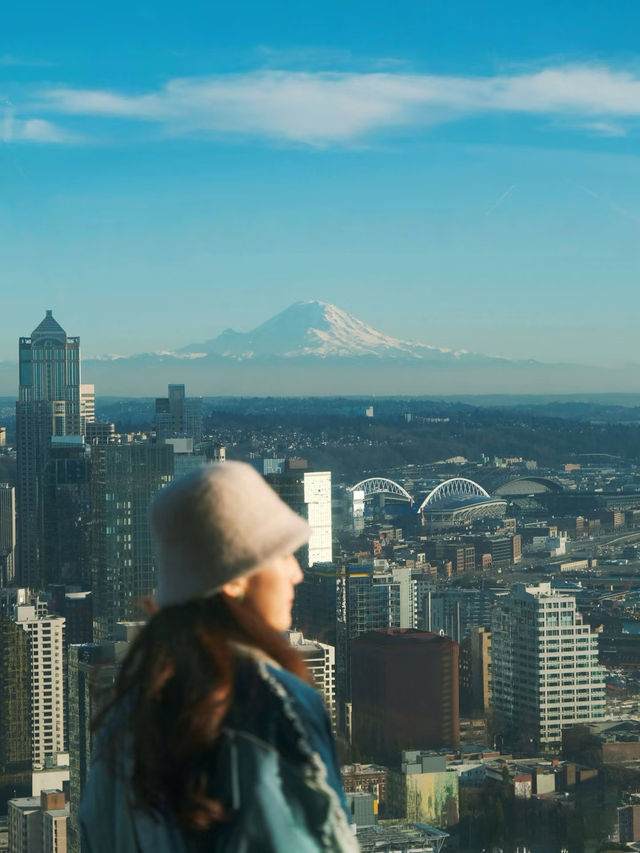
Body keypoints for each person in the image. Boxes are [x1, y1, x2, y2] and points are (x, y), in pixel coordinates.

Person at [79, 461, 359, 852]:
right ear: (234, 578)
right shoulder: (271, 705)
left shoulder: (127, 715)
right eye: (280, 555)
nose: (296, 573)